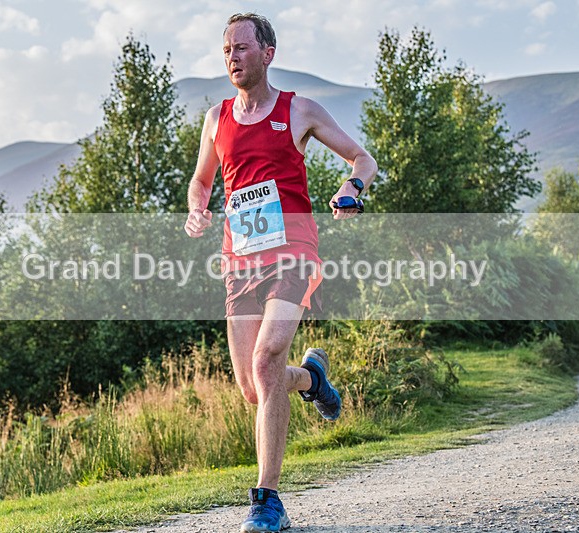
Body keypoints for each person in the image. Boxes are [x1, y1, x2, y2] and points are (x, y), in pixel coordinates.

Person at [184, 12, 377, 533]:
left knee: (268, 357)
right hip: (239, 260)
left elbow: (362, 159)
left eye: (242, 48)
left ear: (268, 53)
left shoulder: (300, 110)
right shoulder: (217, 119)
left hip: (292, 251)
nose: (233, 57)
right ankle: (312, 379)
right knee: (254, 387)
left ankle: (267, 500)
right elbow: (202, 181)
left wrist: (351, 188)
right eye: (227, 49)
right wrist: (198, 208)